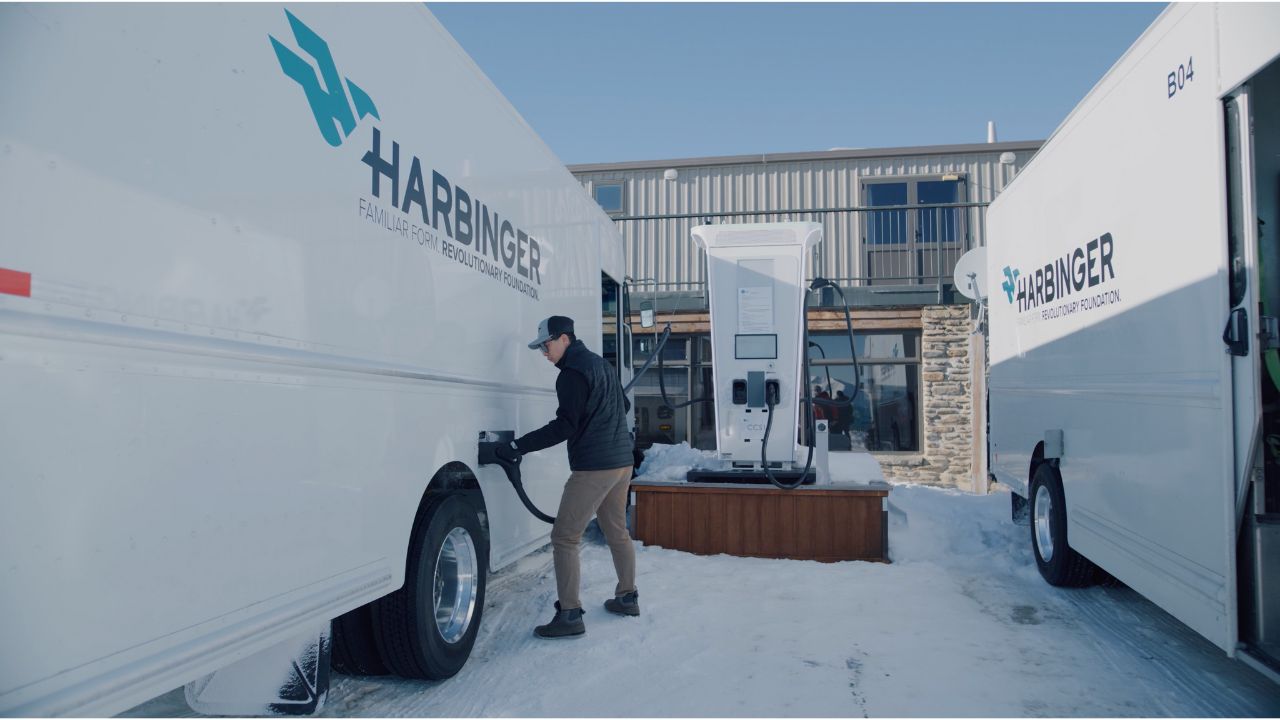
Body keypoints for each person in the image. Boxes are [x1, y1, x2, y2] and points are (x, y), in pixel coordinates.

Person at [494, 315, 639, 639]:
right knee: (617, 531)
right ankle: (627, 597)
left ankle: (570, 614)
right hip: (620, 463)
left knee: (564, 537)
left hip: (595, 467)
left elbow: (565, 425)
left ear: (564, 338)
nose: (545, 353)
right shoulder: (601, 365)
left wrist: (518, 446)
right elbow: (623, 403)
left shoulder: (572, 374)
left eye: (546, 345)